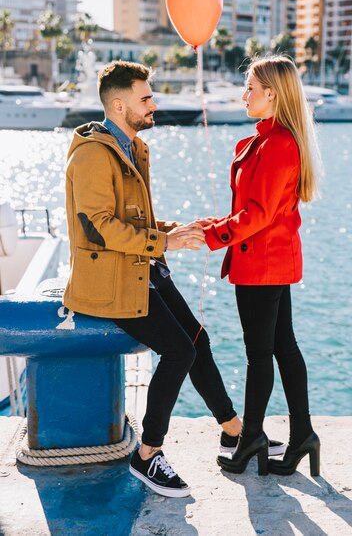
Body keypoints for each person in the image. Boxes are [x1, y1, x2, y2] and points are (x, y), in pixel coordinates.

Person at [63, 60, 284, 499]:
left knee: (197, 338)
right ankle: (147, 455)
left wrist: (175, 231)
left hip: (141, 270)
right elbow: (100, 227)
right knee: (179, 350)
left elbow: (135, 220)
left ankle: (232, 430)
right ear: (120, 104)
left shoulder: (132, 147)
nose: (154, 105)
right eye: (146, 99)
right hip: (109, 282)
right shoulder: (92, 154)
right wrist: (164, 244)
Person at [200, 55, 321, 477]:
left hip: (264, 264)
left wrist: (214, 237)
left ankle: (252, 436)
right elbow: (250, 211)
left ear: (271, 93)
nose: (244, 94)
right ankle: (302, 432)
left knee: (260, 353)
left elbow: (257, 215)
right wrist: (211, 226)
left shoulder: (278, 144)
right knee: (282, 347)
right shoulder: (265, 141)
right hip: (266, 260)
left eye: (250, 87)